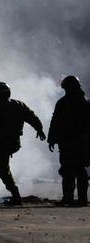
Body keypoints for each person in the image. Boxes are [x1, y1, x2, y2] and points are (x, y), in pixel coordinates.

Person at [0, 82, 46, 205]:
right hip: (14, 142)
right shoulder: (18, 104)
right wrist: (39, 129)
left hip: (4, 142)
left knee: (1, 168)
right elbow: (32, 117)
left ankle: (15, 196)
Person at [48, 76, 90, 207]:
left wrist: (52, 139)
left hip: (68, 143)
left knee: (68, 171)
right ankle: (82, 199)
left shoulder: (63, 102)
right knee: (80, 170)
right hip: (82, 143)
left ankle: (68, 198)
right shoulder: (86, 102)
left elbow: (55, 122)